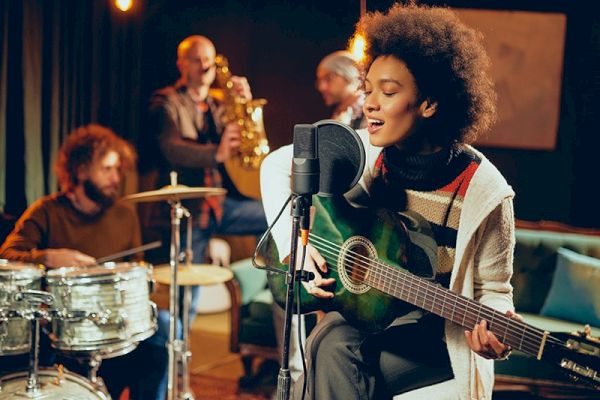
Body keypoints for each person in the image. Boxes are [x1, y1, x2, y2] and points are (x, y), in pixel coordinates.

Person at [261, 4, 520, 399]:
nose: (370, 104)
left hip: (437, 342)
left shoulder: (486, 192)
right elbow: (278, 164)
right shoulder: (364, 151)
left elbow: (495, 290)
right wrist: (296, 248)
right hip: (373, 322)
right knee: (330, 341)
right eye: (369, 90)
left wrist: (497, 328)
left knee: (327, 344)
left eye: (389, 92)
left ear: (429, 104)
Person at [0, 124, 166, 399]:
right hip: (61, 327)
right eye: (107, 169)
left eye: (118, 169)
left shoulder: (125, 215)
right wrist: (49, 257)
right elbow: (7, 257)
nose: (116, 177)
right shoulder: (47, 211)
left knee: (165, 333)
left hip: (116, 323)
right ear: (80, 170)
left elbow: (137, 267)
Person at [144, 34, 270, 393]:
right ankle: (171, 377)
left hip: (218, 207)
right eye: (198, 60)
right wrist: (215, 152)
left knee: (278, 211)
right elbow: (170, 148)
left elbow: (246, 144)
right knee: (185, 302)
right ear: (182, 64)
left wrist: (243, 105)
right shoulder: (166, 102)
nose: (206, 67)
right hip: (183, 213)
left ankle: (280, 282)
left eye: (211, 60)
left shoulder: (218, 104)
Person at [315, 50, 366, 129]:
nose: (322, 87)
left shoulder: (368, 111)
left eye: (329, 78)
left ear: (349, 75)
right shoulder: (339, 113)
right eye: (319, 81)